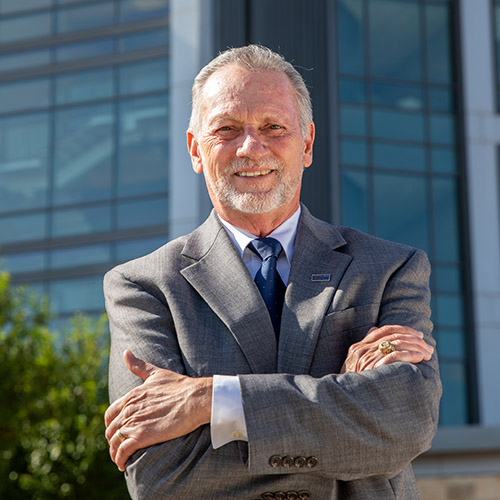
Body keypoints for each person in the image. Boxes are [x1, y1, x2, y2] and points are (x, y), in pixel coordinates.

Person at [103, 44, 441, 500]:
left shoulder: (390, 268)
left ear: (306, 143)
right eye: (226, 129)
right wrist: (343, 405)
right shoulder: (143, 288)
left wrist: (210, 400)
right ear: (195, 149)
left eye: (273, 126)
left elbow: (403, 424)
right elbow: (159, 475)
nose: (250, 147)